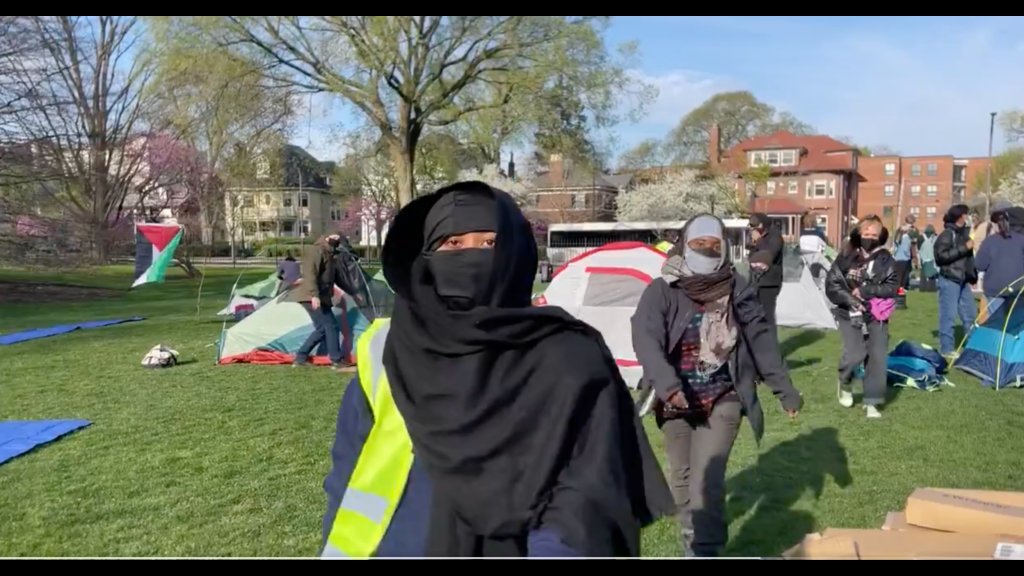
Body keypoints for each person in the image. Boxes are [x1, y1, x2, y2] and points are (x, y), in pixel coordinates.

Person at [321, 181, 675, 558]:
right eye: (452, 244)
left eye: (489, 243)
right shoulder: (386, 350)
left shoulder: (568, 358)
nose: (470, 256)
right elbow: (347, 474)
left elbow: (586, 499)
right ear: (425, 257)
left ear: (515, 254)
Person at [631, 213, 802, 558]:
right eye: (699, 243)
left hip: (723, 396)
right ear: (684, 244)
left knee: (706, 481)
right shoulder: (663, 288)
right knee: (681, 478)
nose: (707, 250)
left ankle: (705, 550)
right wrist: (666, 384)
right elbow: (645, 337)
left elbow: (760, 338)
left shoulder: (737, 286)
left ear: (724, 247)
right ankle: (692, 535)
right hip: (674, 398)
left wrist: (784, 389)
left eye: (714, 244)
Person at [825, 216, 898, 419]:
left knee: (877, 356)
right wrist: (852, 300)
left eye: (874, 234)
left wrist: (867, 291)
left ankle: (872, 401)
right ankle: (845, 380)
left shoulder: (886, 259)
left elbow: (892, 287)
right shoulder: (845, 256)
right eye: (866, 233)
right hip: (849, 312)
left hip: (876, 314)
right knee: (855, 354)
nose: (869, 238)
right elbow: (832, 285)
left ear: (881, 236)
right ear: (858, 234)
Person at [293, 234, 345, 368]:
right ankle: (336, 360)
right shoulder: (316, 250)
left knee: (322, 328)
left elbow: (336, 278)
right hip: (311, 296)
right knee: (331, 325)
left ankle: (300, 358)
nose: (337, 239)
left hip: (321, 297)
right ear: (327, 237)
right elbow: (311, 273)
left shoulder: (331, 254)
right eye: (335, 236)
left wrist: (354, 293)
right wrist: (314, 295)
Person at [934, 204, 978, 358]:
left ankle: (973, 346)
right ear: (960, 216)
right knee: (948, 315)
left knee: (970, 314)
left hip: (963, 280)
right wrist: (964, 248)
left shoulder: (964, 234)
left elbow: (968, 259)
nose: (969, 218)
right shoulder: (947, 234)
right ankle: (946, 349)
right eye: (967, 214)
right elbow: (941, 257)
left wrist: (972, 276)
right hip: (949, 279)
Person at [975, 200, 1024, 317]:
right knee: (1015, 324)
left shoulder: (990, 241)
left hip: (995, 289)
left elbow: (980, 265)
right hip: (1018, 289)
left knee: (996, 323)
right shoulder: (1022, 240)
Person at [746, 213, 784, 328]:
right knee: (755, 315)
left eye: (756, 226)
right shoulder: (760, 237)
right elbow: (752, 257)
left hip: (769, 283)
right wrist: (753, 245)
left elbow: (769, 255)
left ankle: (770, 343)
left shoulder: (775, 237)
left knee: (767, 315)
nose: (754, 229)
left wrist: (759, 241)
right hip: (756, 280)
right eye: (752, 226)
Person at [892, 215, 917, 292]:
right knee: (903, 278)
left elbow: (895, 243)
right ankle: (899, 293)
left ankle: (899, 292)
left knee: (900, 277)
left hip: (898, 257)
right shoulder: (909, 233)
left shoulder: (899, 231)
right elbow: (909, 246)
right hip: (905, 257)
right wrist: (913, 256)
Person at [918, 224, 939, 292]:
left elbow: (918, 247)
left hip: (923, 257)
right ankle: (932, 288)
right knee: (932, 273)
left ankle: (922, 288)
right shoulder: (936, 237)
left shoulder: (921, 237)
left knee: (923, 273)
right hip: (932, 257)